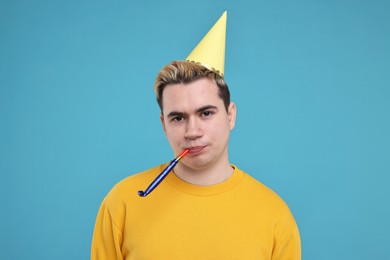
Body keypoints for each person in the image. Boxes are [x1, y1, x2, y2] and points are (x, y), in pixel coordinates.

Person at [91, 12, 301, 260]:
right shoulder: (121, 203)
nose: (192, 132)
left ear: (230, 115)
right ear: (163, 125)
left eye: (206, 113)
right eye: (178, 118)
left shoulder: (274, 214)